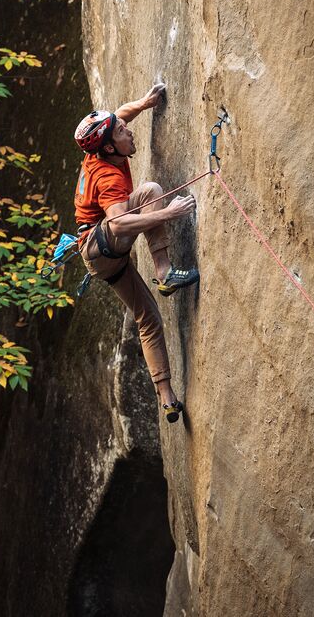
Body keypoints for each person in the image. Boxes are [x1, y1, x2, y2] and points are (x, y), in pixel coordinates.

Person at [73, 84, 199, 422]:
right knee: (150, 192)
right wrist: (169, 213)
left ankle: (167, 397)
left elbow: (120, 114)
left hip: (99, 259)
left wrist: (144, 104)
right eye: (121, 132)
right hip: (103, 243)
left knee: (148, 317)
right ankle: (164, 270)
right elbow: (118, 225)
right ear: (111, 146)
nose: (128, 131)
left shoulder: (100, 147)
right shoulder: (109, 178)